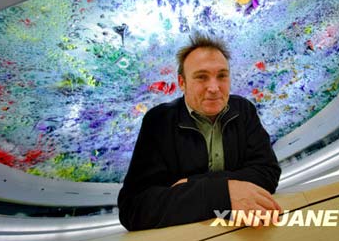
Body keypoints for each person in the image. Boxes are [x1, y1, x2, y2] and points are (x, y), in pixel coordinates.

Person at [118, 34, 282, 231]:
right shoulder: (158, 121)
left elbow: (267, 172)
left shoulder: (243, 110)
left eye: (222, 76)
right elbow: (134, 208)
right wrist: (223, 195)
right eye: (201, 77)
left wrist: (194, 185)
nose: (214, 88)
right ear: (182, 82)